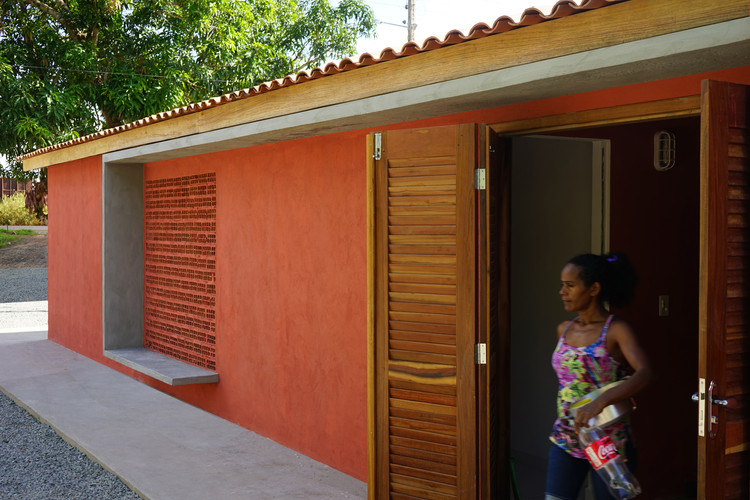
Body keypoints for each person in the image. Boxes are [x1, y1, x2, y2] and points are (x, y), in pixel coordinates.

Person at [545, 252, 652, 500]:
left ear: (593, 289)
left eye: (570, 286)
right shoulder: (564, 329)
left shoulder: (616, 331)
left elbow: (645, 373)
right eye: (562, 285)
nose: (562, 292)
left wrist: (600, 403)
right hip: (566, 437)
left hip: (607, 440)